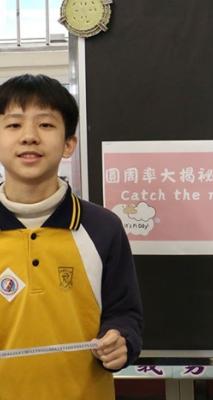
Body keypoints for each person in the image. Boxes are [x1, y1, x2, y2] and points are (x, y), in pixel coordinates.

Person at [0, 74, 143, 399]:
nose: (29, 137)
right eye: (14, 125)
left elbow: (126, 314)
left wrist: (121, 340)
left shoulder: (103, 227)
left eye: (46, 125)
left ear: (68, 144)